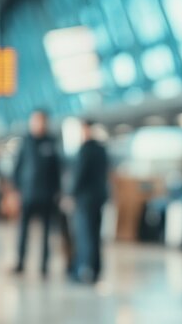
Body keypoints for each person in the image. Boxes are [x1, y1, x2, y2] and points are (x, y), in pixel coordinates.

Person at [12, 109, 61, 276]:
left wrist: (58, 192)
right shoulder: (26, 142)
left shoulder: (51, 142)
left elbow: (57, 170)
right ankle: (20, 262)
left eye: (40, 120)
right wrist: (16, 191)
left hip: (47, 196)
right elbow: (17, 168)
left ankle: (44, 266)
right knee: (23, 231)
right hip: (28, 194)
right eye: (35, 120)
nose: (37, 124)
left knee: (47, 233)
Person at [67, 119, 108, 283]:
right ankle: (96, 269)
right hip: (99, 198)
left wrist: (70, 194)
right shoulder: (102, 149)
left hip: (85, 199)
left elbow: (79, 175)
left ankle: (85, 270)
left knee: (85, 235)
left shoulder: (85, 149)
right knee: (95, 235)